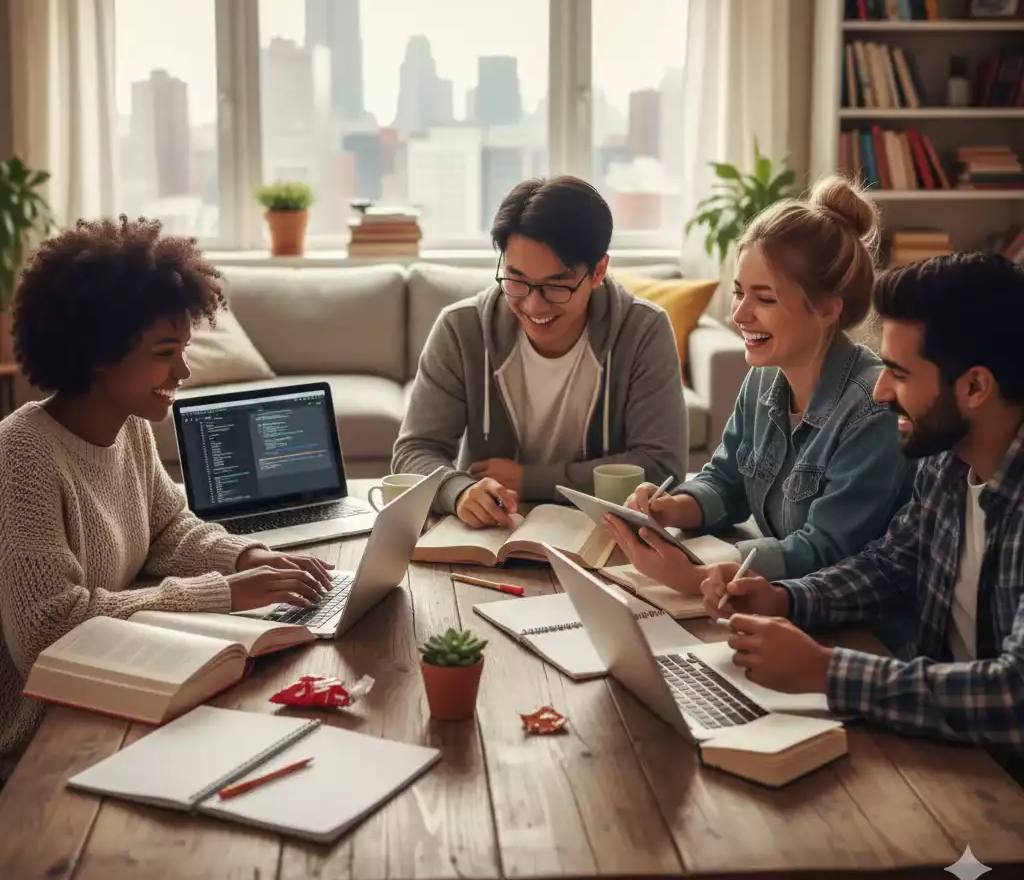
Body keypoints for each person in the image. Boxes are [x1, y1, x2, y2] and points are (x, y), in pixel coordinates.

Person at [702, 251, 1024, 880]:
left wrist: (827, 671)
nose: (880, 393)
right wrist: (786, 598)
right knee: (759, 845)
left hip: (1000, 811)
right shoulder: (948, 459)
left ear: (974, 387)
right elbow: (889, 565)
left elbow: (1014, 696)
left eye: (900, 374)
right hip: (943, 750)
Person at [0, 216, 334, 782]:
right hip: (47, 727)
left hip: (122, 676)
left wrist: (245, 559)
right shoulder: (20, 457)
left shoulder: (127, 425)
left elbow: (169, 528)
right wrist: (221, 593)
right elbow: (48, 632)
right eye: (164, 352)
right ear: (98, 353)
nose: (182, 370)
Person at [603, 176, 912, 599]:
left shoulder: (873, 410)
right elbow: (725, 480)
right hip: (769, 599)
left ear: (826, 310)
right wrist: (673, 506)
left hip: (847, 628)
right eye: (738, 293)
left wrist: (702, 575)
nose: (739, 315)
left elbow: (826, 550)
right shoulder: (765, 376)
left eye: (764, 299)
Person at [392, 175, 687, 528]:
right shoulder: (461, 329)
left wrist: (531, 480)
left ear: (598, 271)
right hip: (494, 532)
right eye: (516, 279)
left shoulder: (643, 331)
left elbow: (663, 466)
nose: (534, 304)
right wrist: (458, 491)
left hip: (600, 531)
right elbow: (413, 452)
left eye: (556, 284)